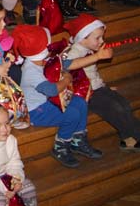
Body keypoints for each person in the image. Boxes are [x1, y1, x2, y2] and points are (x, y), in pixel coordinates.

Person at [11, 25, 102, 168]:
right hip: (36, 111)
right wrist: (66, 79)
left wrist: (97, 56)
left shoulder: (43, 60)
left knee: (80, 102)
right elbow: (52, 90)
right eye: (47, 44)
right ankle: (61, 146)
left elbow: (67, 63)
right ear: (41, 49)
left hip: (49, 102)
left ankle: (77, 140)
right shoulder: (30, 71)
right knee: (72, 114)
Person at [63, 14, 140, 152]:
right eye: (97, 38)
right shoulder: (74, 51)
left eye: (102, 37)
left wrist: (102, 84)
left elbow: (91, 73)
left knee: (123, 103)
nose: (101, 41)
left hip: (96, 87)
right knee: (115, 108)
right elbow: (68, 65)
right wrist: (97, 56)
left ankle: (127, 138)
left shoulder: (88, 48)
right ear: (83, 38)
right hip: (83, 94)